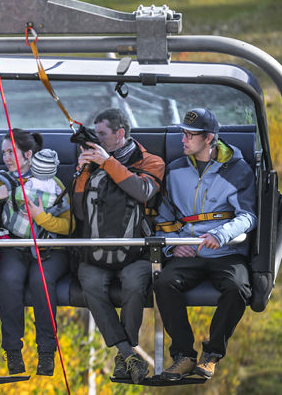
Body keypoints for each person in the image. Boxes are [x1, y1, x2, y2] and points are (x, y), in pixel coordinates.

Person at [154, 108, 256, 381]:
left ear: (209, 138)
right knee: (164, 283)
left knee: (237, 288)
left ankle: (211, 355)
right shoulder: (175, 170)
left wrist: (221, 235)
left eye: (190, 135)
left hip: (226, 251)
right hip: (188, 250)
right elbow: (165, 217)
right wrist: (174, 245)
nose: (183, 140)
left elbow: (248, 216)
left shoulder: (237, 170)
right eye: (183, 134)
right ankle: (184, 356)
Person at [73, 108, 164, 383]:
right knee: (89, 283)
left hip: (136, 251)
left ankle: (123, 355)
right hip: (96, 251)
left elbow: (143, 192)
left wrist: (107, 162)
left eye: (102, 134)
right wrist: (81, 172)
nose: (97, 139)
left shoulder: (151, 161)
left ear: (120, 134)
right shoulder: (91, 164)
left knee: (135, 286)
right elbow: (78, 212)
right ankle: (128, 352)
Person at [0, 129, 73, 376]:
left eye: (11, 152)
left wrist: (40, 217)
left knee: (41, 281)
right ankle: (12, 351)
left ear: (28, 154)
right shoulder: (2, 181)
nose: (6, 157)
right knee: (9, 281)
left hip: (50, 248)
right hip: (14, 244)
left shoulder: (55, 184)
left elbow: (68, 226)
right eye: (4, 153)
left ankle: (46, 352)